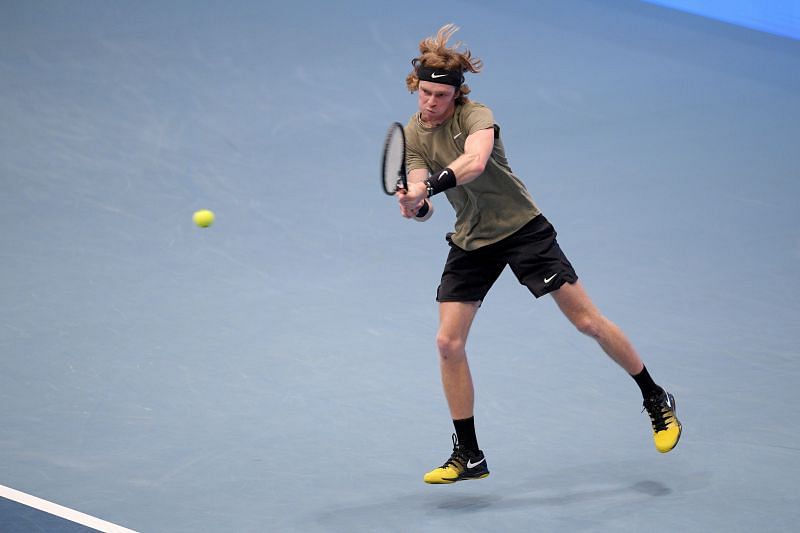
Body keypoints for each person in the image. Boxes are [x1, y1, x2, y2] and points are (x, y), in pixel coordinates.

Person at [396, 24, 682, 485]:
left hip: (522, 230)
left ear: (456, 95)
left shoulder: (477, 116)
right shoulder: (412, 133)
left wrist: (429, 184)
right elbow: (419, 192)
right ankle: (469, 454)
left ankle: (656, 398)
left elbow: (475, 162)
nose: (430, 103)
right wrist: (416, 203)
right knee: (448, 343)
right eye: (424, 93)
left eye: (440, 96)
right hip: (471, 239)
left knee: (587, 322)